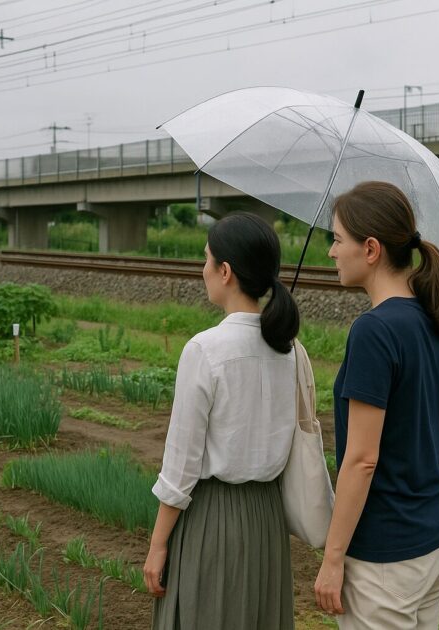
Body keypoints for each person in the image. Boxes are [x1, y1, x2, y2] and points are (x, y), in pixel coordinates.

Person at [145, 212, 302, 630]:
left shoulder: (205, 349)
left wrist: (158, 544)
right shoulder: (290, 351)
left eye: (206, 259)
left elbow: (181, 465)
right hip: (267, 520)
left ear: (226, 271)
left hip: (214, 518)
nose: (203, 270)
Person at [314, 181, 439, 629]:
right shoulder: (432, 320)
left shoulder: (374, 331)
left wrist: (332, 558)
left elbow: (361, 460)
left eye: (338, 240)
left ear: (371, 248)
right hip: (434, 542)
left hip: (386, 558)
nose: (332, 253)